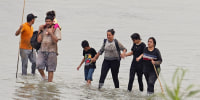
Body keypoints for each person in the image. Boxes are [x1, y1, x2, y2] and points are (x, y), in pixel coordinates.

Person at [37, 16, 61, 82]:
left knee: (51, 69)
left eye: (49, 21)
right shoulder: (43, 28)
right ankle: (44, 77)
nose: (47, 23)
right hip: (42, 50)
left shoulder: (56, 29)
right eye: (46, 21)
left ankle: (49, 83)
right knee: (38, 64)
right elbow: (39, 40)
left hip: (52, 51)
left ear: (52, 22)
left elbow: (56, 40)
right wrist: (39, 30)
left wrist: (51, 33)